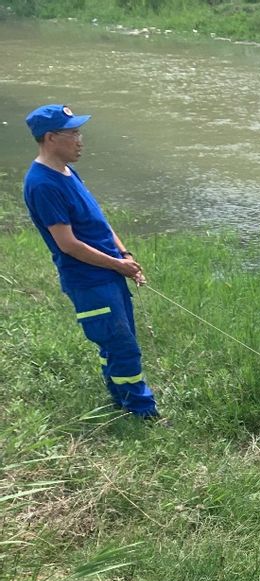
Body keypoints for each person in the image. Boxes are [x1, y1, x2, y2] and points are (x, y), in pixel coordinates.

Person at [22, 103, 160, 420]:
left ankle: (121, 400)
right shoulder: (43, 184)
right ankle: (142, 413)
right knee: (122, 346)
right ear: (50, 138)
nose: (80, 139)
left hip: (108, 272)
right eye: (73, 133)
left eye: (79, 131)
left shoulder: (68, 172)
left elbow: (98, 222)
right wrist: (117, 266)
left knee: (116, 342)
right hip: (89, 281)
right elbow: (68, 245)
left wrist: (124, 255)